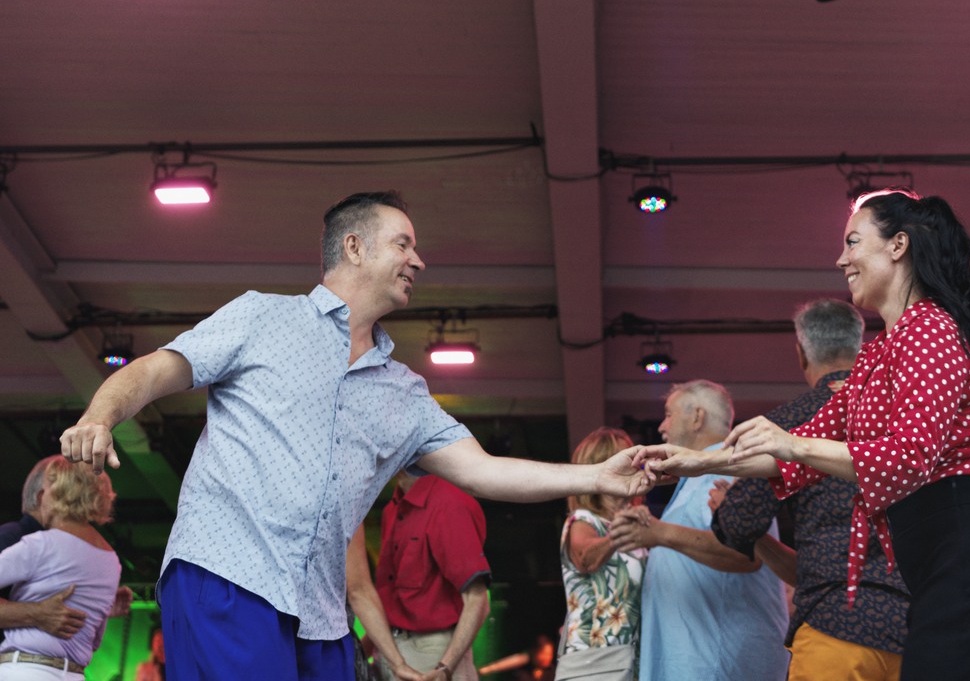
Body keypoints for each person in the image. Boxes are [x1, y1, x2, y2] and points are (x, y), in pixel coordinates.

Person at [58, 191, 652, 681]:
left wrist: (597, 475)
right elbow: (157, 369)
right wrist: (99, 416)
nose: (418, 261)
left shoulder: (405, 391)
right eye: (404, 244)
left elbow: (485, 469)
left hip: (321, 611)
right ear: (354, 247)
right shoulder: (264, 317)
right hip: (227, 577)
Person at [639, 190, 970, 681]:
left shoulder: (930, 329)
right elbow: (789, 455)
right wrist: (693, 462)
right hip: (941, 569)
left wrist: (791, 443)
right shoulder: (879, 356)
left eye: (852, 242)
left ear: (898, 246)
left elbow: (907, 457)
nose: (841, 259)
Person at [708, 299, 909, 681]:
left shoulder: (790, 424)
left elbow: (739, 521)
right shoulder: (905, 420)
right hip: (918, 631)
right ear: (859, 345)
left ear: (801, 353)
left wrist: (723, 509)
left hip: (836, 623)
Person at [622, 381, 790, 681]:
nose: (662, 426)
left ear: (697, 417)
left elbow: (742, 554)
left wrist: (659, 534)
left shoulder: (730, 469)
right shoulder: (700, 475)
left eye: (669, 414)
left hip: (717, 666)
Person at [347, 470, 490, 681]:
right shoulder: (392, 508)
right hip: (392, 652)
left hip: (433, 652)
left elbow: (478, 600)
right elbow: (389, 605)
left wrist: (445, 668)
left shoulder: (450, 503)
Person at [0, 456, 121, 679]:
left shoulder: (41, 544)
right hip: (74, 673)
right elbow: (95, 640)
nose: (39, 499)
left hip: (24, 670)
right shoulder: (111, 560)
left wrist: (33, 614)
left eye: (45, 489)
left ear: (60, 493)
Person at [556, 429, 647, 679]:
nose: (636, 464)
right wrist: (620, 532)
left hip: (631, 662)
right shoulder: (583, 520)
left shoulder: (637, 529)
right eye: (626, 457)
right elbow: (586, 558)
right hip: (594, 662)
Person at [0, 458, 88, 645]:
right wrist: (37, 613)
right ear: (42, 498)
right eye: (68, 495)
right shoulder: (12, 537)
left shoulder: (52, 545)